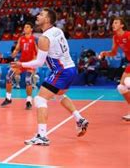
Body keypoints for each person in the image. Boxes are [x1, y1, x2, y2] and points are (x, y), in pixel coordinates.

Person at [13, 8, 89, 146]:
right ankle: (79, 119)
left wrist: (21, 64)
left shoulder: (44, 38)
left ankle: (42, 136)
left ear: (47, 20)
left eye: (41, 14)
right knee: (59, 96)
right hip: (70, 68)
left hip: (61, 71)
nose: (37, 16)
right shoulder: (58, 30)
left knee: (40, 99)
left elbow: (39, 63)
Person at [99, 17, 130, 121]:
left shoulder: (128, 35)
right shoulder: (116, 37)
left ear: (122, 25)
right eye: (113, 23)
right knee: (121, 87)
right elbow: (113, 53)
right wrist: (104, 53)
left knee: (128, 82)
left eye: (116, 22)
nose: (113, 24)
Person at [1, 22, 37, 110]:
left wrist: (34, 62)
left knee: (28, 80)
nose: (25, 29)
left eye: (27, 27)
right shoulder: (21, 38)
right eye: (24, 27)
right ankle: (8, 98)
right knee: (9, 76)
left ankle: (29, 101)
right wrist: (12, 55)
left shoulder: (35, 39)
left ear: (31, 29)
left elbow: (38, 53)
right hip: (21, 63)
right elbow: (17, 49)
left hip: (30, 63)